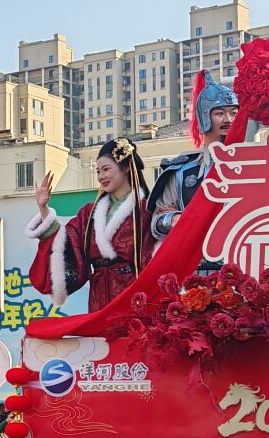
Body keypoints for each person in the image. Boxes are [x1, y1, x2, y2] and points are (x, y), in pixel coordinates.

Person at [28, 138, 155, 313]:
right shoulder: (89, 213)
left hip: (133, 294)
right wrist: (44, 209)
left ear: (126, 167)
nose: (101, 176)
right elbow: (67, 241)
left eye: (106, 169)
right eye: (98, 171)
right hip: (99, 295)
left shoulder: (146, 210)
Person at [148, 75, 240, 241]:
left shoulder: (252, 165)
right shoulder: (182, 171)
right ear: (204, 116)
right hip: (196, 252)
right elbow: (157, 222)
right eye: (220, 113)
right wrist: (175, 219)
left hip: (239, 250)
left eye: (234, 113)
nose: (228, 120)